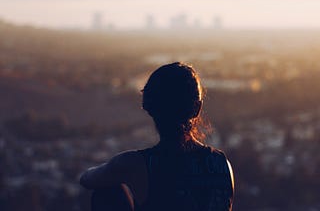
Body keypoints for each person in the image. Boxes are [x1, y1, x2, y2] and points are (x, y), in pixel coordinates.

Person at [80, 62, 234, 211]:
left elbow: (86, 179)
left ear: (149, 107)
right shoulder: (221, 164)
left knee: (105, 193)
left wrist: (116, 170)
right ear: (197, 108)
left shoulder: (136, 164)